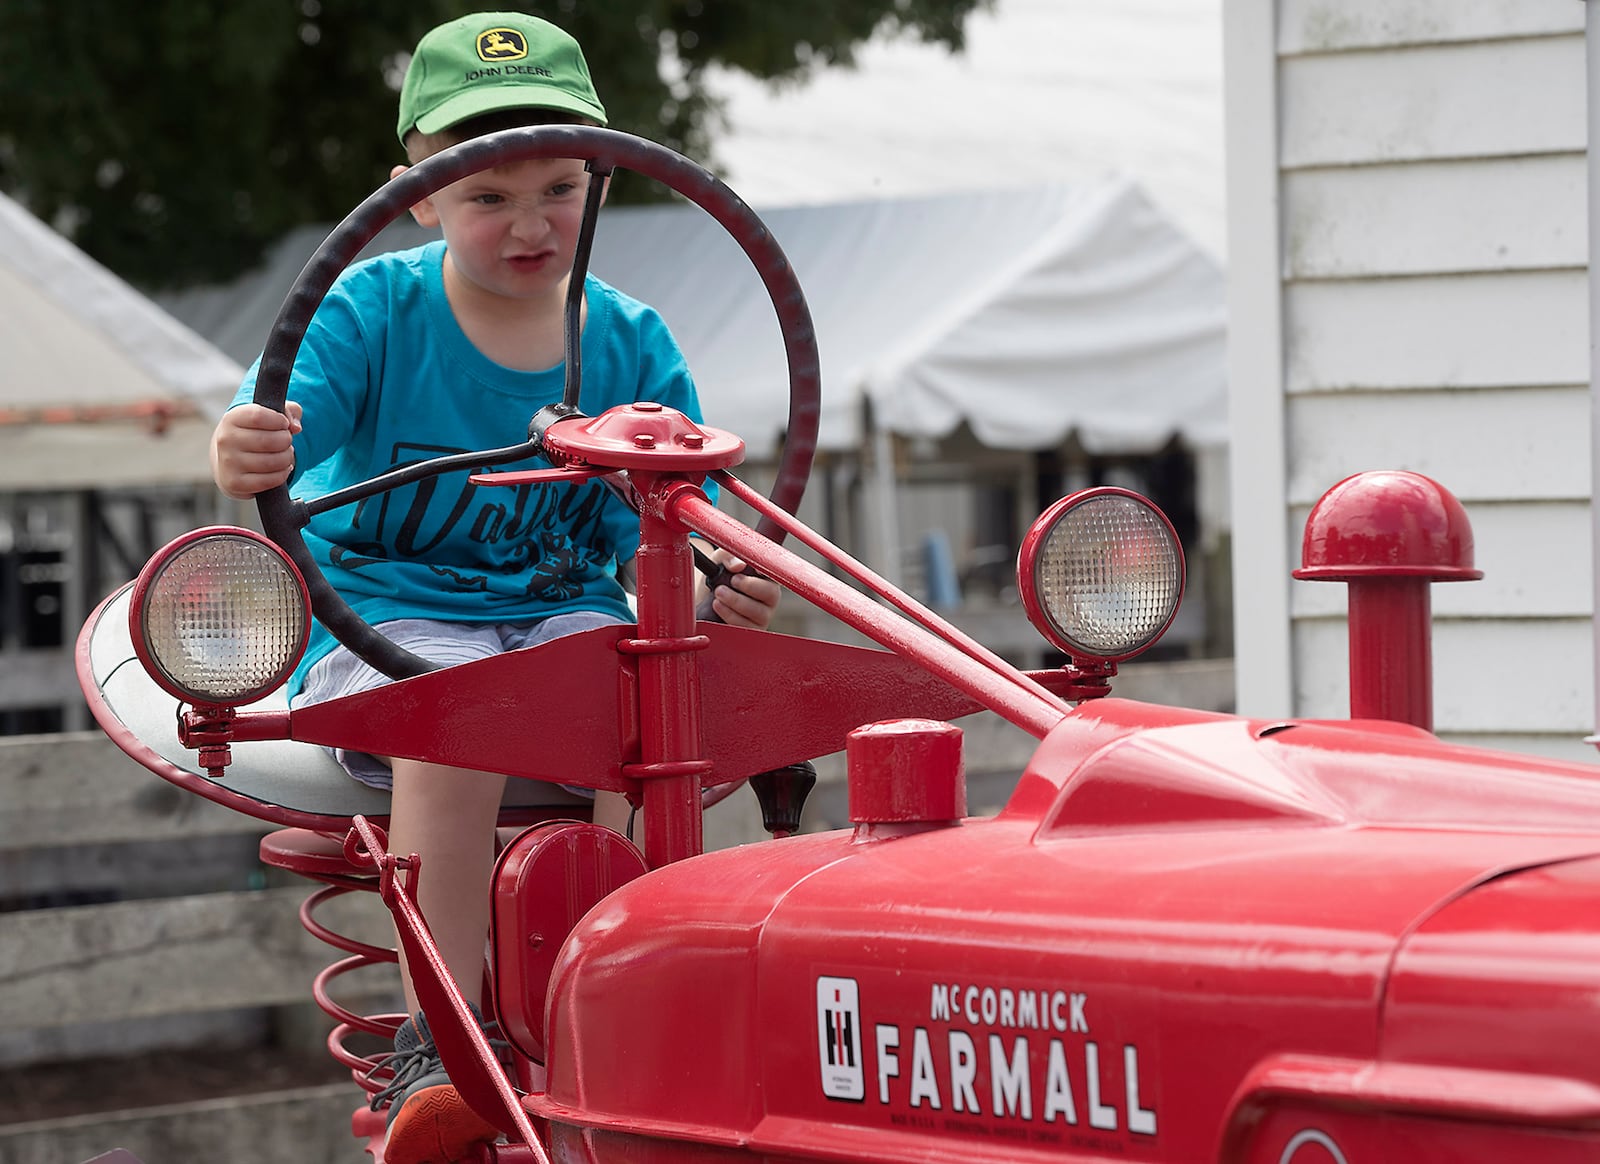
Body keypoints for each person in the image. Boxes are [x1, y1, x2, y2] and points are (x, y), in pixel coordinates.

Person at [209, 11, 779, 1161]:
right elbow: (274, 424)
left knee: (643, 704)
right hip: (387, 624)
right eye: (485, 195)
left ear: (602, 181)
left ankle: (619, 1006)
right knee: (463, 710)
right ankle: (443, 1038)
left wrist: (726, 577)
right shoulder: (372, 314)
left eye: (559, 187)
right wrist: (247, 451)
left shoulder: (626, 339)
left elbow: (682, 512)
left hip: (566, 610)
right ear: (413, 195)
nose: (528, 223)